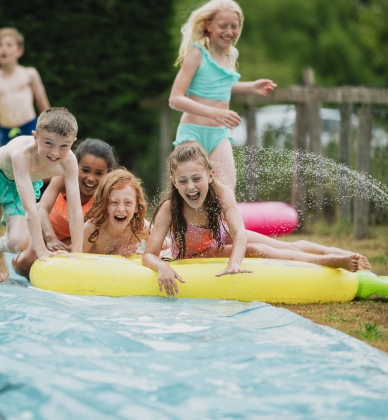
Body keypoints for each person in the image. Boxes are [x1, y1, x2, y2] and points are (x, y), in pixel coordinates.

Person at [142, 144, 371, 297]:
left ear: (210, 176)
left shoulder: (221, 193)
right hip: (197, 252)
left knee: (284, 244)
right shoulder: (169, 208)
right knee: (259, 249)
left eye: (196, 179)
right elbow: (149, 254)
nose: (190, 186)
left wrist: (234, 263)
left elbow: (239, 232)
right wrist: (162, 266)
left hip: (221, 235)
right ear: (173, 181)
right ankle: (328, 260)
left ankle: (329, 250)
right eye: (182, 181)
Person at [0, 107, 82, 284]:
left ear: (73, 142)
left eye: (64, 145)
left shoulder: (70, 162)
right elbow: (31, 209)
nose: (55, 152)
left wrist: (77, 253)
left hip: (23, 183)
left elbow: (75, 210)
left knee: (18, 243)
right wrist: (42, 252)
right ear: (35, 136)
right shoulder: (23, 154)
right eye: (48, 143)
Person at [169, 0, 276, 191]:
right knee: (193, 191)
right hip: (193, 131)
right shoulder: (196, 54)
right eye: (223, 26)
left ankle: (222, 222)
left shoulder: (231, 54)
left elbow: (218, 86)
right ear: (209, 25)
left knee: (226, 191)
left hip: (219, 135)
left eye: (234, 26)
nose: (229, 31)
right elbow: (175, 99)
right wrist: (214, 113)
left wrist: (251, 87)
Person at [12, 138, 118, 278]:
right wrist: (50, 239)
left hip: (71, 238)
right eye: (85, 170)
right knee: (25, 264)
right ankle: (12, 257)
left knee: (69, 265)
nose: (91, 178)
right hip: (45, 229)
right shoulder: (63, 178)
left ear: (108, 173)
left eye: (99, 173)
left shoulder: (107, 194)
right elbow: (42, 209)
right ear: (75, 165)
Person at [0, 27, 50, 148]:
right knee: (5, 165)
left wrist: (50, 129)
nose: (4, 49)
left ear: (19, 51)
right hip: (5, 131)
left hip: (29, 128)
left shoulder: (29, 74)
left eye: (9, 45)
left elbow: (43, 104)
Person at [83, 169, 166, 257]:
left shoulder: (137, 226)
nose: (121, 209)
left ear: (136, 207)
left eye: (128, 203)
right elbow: (76, 260)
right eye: (114, 202)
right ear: (104, 205)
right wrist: (113, 254)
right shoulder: (93, 229)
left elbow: (170, 248)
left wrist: (149, 255)